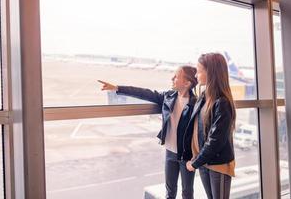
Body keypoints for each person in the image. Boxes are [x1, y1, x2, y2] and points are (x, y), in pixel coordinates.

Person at [98, 65, 198, 199]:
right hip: (169, 152)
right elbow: (144, 93)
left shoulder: (196, 103)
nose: (172, 78)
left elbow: (201, 132)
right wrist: (117, 88)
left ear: (187, 83)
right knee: (170, 192)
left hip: (187, 155)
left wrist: (197, 157)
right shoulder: (168, 97)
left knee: (187, 192)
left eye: (176, 77)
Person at [186, 53, 236, 199]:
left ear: (211, 72)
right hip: (204, 162)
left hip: (217, 163)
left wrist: (196, 162)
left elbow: (215, 140)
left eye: (199, 70)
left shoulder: (222, 102)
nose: (196, 75)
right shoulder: (204, 97)